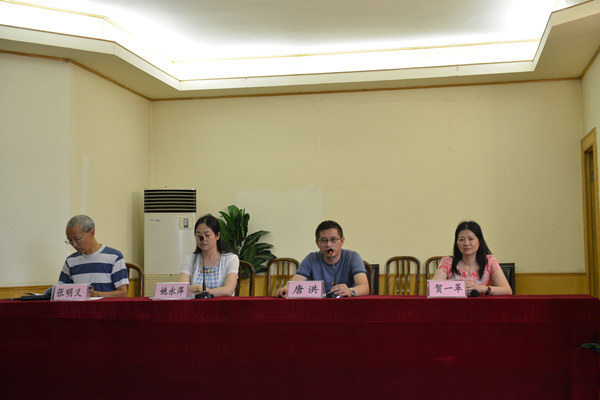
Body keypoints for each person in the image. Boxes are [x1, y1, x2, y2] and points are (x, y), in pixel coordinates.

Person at [277, 220, 369, 298]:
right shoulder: (311, 258)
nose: (329, 245)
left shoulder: (352, 257)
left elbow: (364, 287)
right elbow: (295, 283)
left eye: (333, 240)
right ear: (317, 243)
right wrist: (286, 289)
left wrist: (350, 291)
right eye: (324, 240)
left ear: (342, 241)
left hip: (347, 306)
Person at [432, 220, 512, 296]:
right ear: (457, 243)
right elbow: (433, 288)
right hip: (454, 304)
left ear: (479, 241)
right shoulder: (447, 261)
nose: (466, 243)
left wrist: (481, 288)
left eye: (471, 239)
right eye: (461, 239)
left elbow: (507, 290)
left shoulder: (489, 261)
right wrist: (457, 285)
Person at [59, 215, 129, 297]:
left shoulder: (114, 257)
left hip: (106, 304)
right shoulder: (71, 260)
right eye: (70, 240)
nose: (74, 244)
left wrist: (97, 294)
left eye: (77, 239)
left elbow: (123, 293)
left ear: (92, 232)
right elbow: (61, 291)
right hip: (80, 305)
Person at [178, 214, 239, 297]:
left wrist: (206, 292)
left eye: (207, 235)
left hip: (222, 304)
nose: (203, 240)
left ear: (217, 236)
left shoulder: (231, 259)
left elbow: (228, 290)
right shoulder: (190, 259)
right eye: (199, 236)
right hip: (195, 304)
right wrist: (196, 288)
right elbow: (181, 289)